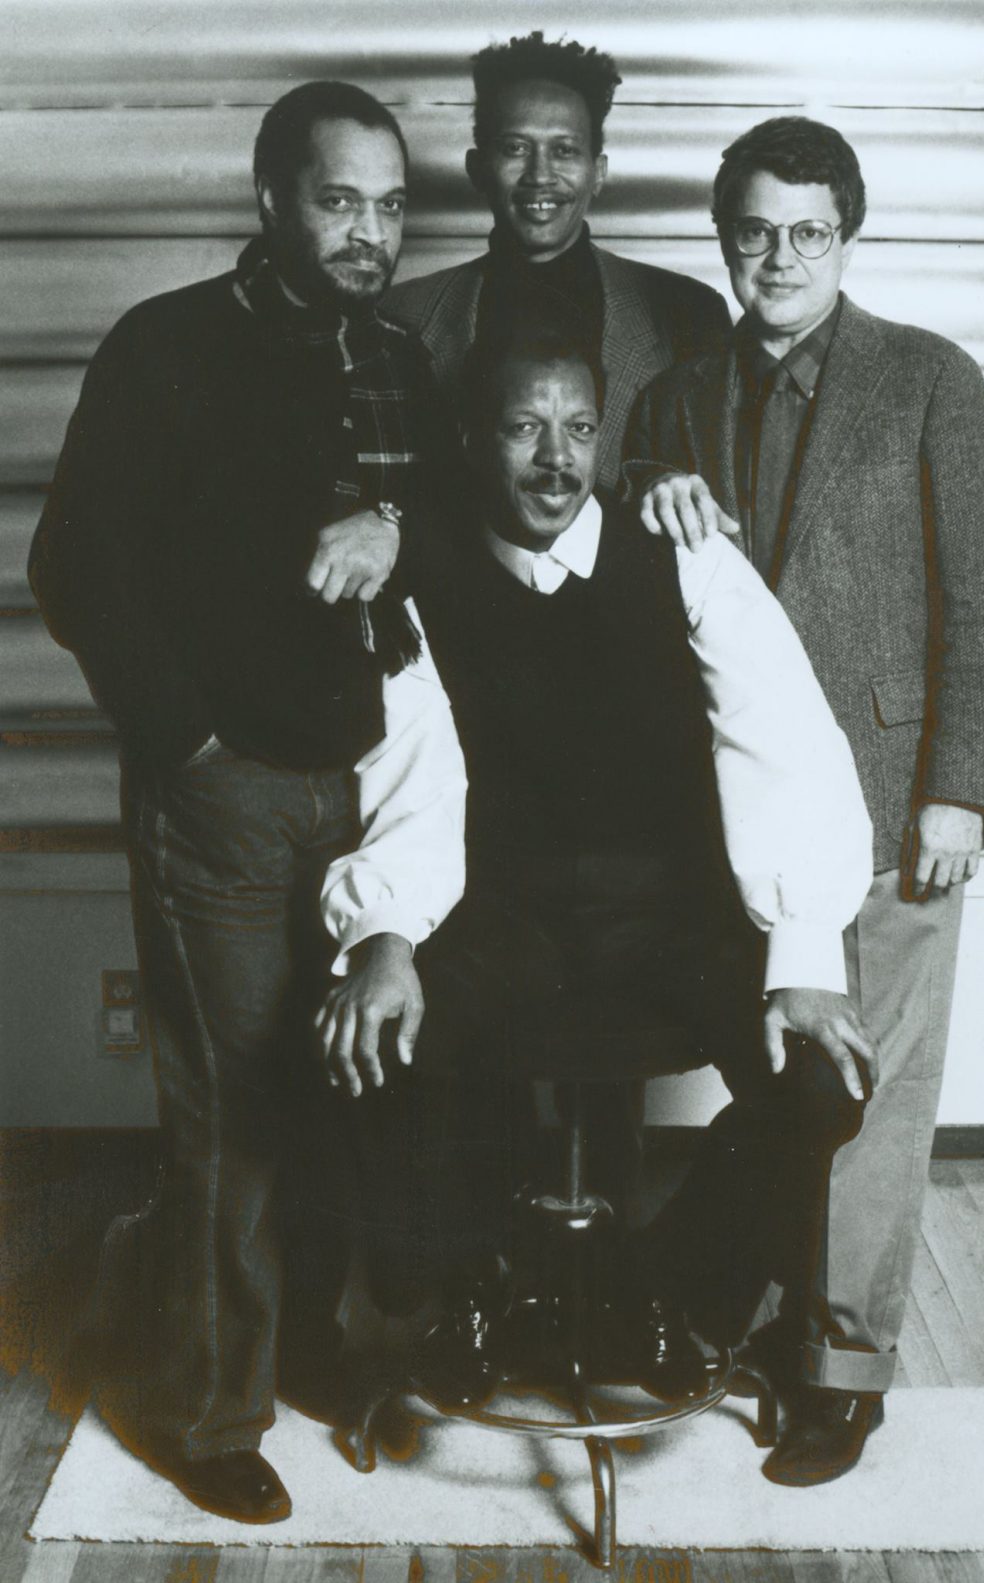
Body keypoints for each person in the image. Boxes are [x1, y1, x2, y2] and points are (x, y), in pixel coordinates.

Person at [28, 79, 466, 1524]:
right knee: (230, 1107)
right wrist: (192, 742)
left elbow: (454, 532)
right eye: (340, 202)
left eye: (390, 206)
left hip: (372, 781)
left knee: (335, 1081)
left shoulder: (397, 356)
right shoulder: (166, 346)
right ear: (271, 198)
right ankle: (211, 1410)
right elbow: (72, 565)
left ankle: (317, 1347)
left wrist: (396, 521)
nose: (369, 232)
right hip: (222, 785)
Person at [316, 329, 878, 1418]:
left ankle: (660, 1290)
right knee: (380, 1040)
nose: (556, 459)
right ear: (472, 440)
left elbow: (782, 742)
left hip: (669, 912)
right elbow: (412, 774)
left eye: (578, 429)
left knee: (819, 1081)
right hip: (503, 914)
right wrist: (384, 937)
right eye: (525, 428)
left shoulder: (682, 553)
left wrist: (804, 955)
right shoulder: (420, 573)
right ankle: (468, 1285)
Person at [624, 115, 984, 1484]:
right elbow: (627, 555)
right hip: (738, 820)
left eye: (809, 232)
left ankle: (841, 1372)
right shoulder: (674, 398)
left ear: (848, 239)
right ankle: (741, 1310)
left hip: (895, 801)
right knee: (787, 1088)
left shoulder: (931, 379)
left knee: (875, 1098)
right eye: (756, 230)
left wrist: (960, 789)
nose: (780, 256)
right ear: (723, 237)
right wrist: (647, 485)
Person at [383, 30, 733, 489]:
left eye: (564, 150)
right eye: (515, 148)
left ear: (598, 173)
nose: (540, 175)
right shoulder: (400, 316)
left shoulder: (689, 314)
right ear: (477, 169)